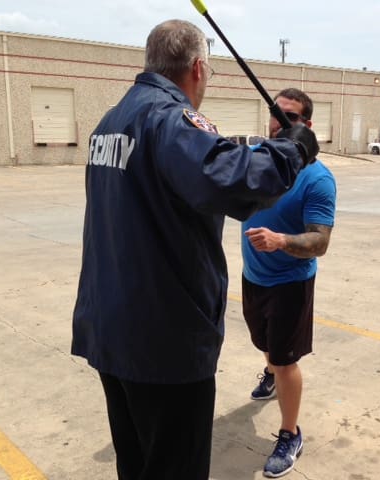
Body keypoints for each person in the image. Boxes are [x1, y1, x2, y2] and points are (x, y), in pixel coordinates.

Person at [71, 20, 319, 480]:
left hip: (112, 326)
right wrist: (293, 149)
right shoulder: (168, 119)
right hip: (163, 339)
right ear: (199, 68)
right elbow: (237, 185)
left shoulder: (112, 120)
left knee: (138, 461)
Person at [241, 88, 336, 478]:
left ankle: (290, 433)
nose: (280, 122)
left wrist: (281, 241)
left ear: (307, 125)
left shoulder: (317, 179)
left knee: (285, 359)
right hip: (252, 277)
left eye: (291, 117)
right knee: (264, 345)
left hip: (289, 283)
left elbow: (320, 241)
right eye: (276, 114)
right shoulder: (259, 160)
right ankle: (270, 371)